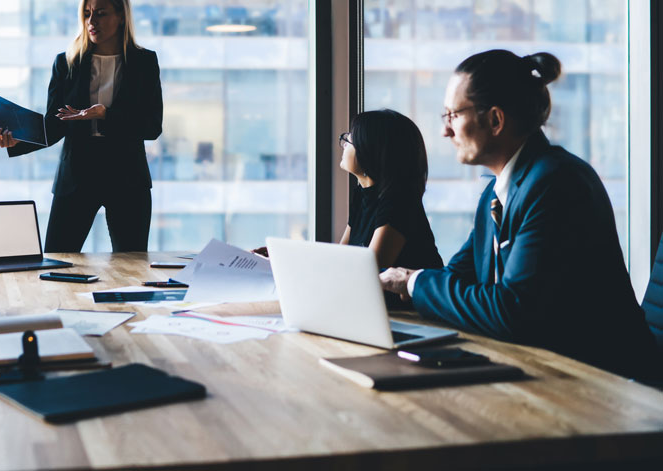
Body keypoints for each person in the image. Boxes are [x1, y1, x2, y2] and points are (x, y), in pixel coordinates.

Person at [380, 50, 659, 381]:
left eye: (452, 116)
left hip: (608, 383)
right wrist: (407, 286)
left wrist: (414, 282)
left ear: (496, 120)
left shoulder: (557, 183)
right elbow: (459, 276)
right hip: (545, 368)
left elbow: (513, 310)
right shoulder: (496, 194)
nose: (446, 132)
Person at [0, 0, 163, 252]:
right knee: (57, 260)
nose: (92, 21)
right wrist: (16, 141)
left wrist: (106, 115)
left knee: (132, 267)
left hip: (127, 178)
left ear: (121, 16)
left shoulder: (144, 63)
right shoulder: (66, 62)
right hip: (76, 177)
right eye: (87, 13)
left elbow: (152, 126)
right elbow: (54, 126)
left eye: (101, 13)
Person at [254, 110, 443, 273]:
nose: (344, 144)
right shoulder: (364, 194)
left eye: (350, 140)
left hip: (410, 312)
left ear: (372, 152)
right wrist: (283, 259)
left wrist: (289, 263)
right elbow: (342, 256)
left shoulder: (399, 203)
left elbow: (368, 271)